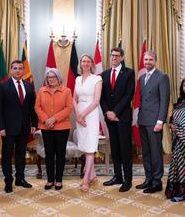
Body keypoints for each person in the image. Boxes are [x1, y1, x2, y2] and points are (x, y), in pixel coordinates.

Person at [0, 59, 38, 193]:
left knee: (21, 155)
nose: (18, 70)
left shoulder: (29, 86)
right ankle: (8, 181)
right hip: (7, 129)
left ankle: (20, 179)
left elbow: (32, 107)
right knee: (7, 155)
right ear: (11, 70)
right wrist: (0, 127)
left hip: (24, 127)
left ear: (23, 70)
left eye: (20, 68)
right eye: (15, 68)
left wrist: (34, 123)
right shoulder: (2, 86)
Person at [100, 47, 135, 192]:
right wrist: (108, 112)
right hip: (109, 117)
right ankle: (117, 176)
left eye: (116, 55)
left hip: (123, 117)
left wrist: (115, 112)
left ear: (121, 57)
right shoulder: (104, 74)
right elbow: (101, 97)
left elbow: (129, 96)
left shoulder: (129, 73)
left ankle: (127, 180)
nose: (113, 58)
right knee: (114, 147)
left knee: (125, 149)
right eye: (112, 55)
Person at [137, 50, 170, 193]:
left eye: (150, 60)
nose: (147, 62)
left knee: (156, 152)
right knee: (146, 152)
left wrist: (160, 121)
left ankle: (156, 182)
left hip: (154, 121)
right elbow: (141, 101)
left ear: (155, 61)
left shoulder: (162, 77)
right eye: (145, 60)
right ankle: (148, 178)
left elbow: (164, 101)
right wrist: (138, 119)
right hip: (143, 120)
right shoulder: (142, 77)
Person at [35, 68, 72, 190]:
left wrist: (54, 119)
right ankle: (50, 179)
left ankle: (59, 180)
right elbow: (37, 107)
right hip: (46, 127)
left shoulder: (66, 91)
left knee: (60, 154)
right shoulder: (42, 90)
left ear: (58, 78)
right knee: (49, 154)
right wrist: (46, 120)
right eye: (49, 77)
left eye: (53, 77)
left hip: (62, 127)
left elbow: (68, 108)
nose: (51, 79)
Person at [73, 54, 102, 192]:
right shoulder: (77, 79)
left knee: (90, 146)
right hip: (79, 112)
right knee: (85, 145)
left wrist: (83, 115)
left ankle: (85, 179)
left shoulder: (97, 78)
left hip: (91, 113)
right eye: (83, 61)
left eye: (88, 61)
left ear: (91, 64)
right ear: (80, 63)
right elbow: (74, 98)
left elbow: (96, 101)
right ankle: (93, 175)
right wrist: (77, 115)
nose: (85, 63)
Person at [165, 79, 185, 202]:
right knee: (179, 164)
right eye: (184, 85)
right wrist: (172, 125)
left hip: (183, 136)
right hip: (178, 139)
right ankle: (180, 191)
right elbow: (172, 119)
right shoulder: (179, 103)